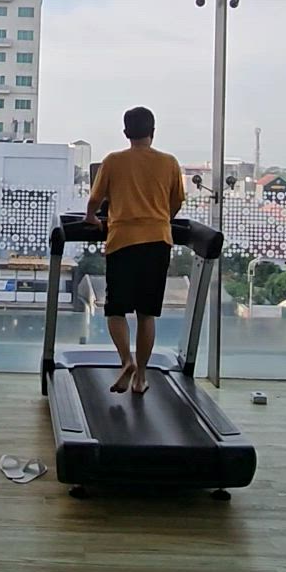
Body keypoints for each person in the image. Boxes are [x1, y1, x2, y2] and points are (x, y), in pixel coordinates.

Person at [84, 106, 184, 395]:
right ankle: (140, 377)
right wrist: (161, 219)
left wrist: (91, 218)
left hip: (123, 241)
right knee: (146, 314)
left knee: (116, 310)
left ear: (126, 132)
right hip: (158, 241)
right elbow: (176, 202)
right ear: (153, 132)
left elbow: (95, 200)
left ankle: (126, 360)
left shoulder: (113, 161)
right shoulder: (169, 162)